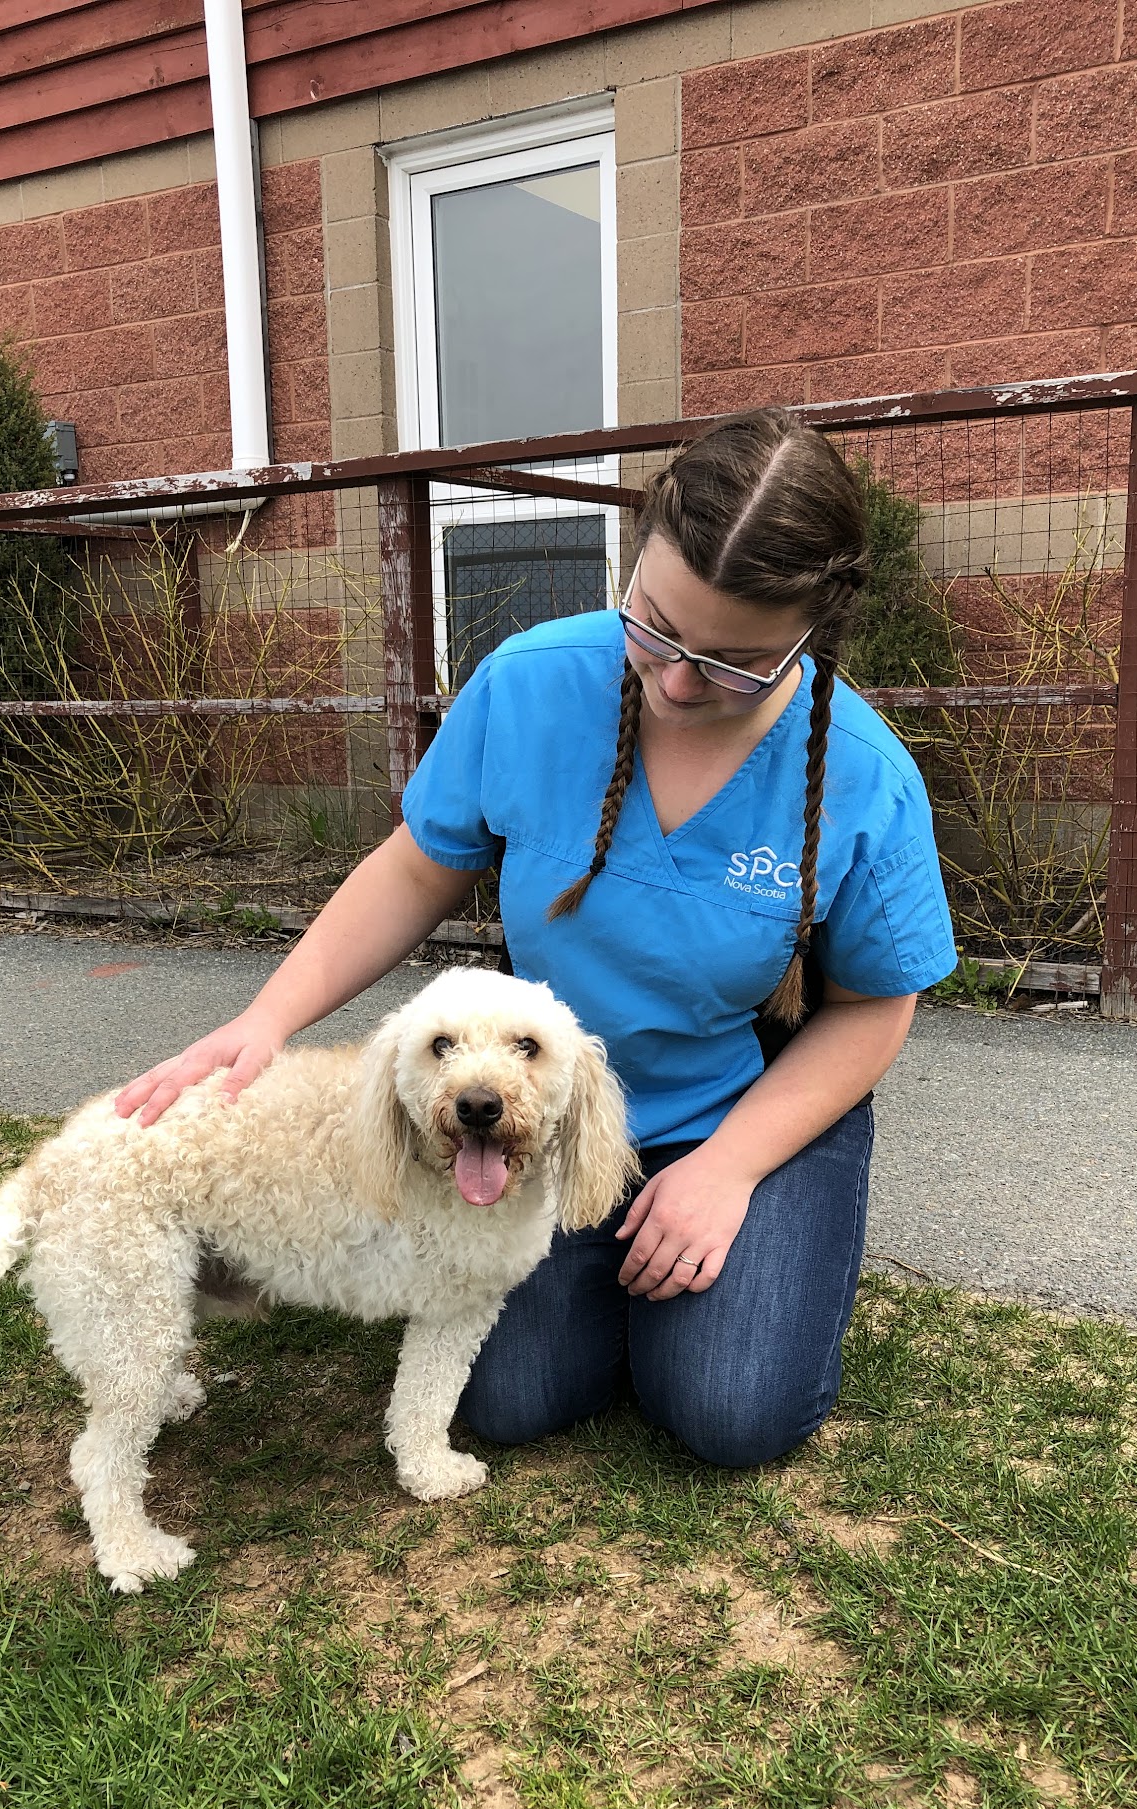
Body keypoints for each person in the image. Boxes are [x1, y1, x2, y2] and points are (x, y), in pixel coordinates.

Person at [115, 409, 958, 1470]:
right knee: (512, 1398)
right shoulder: (529, 681)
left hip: (734, 1104)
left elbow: (875, 1008)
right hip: (542, 1112)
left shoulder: (868, 778)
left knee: (729, 1409)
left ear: (812, 633)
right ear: (634, 560)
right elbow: (416, 867)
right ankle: (629, 1281)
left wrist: (728, 1172)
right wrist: (265, 1019)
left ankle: (718, 1258)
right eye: (655, 627)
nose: (677, 683)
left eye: (736, 662)